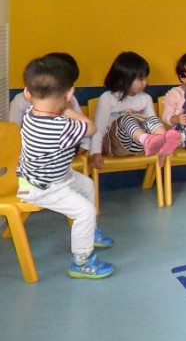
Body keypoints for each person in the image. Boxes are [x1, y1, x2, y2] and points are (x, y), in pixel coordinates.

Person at [15, 56, 115, 279]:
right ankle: (82, 261)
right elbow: (91, 127)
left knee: (86, 185)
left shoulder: (30, 115)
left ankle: (89, 232)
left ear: (28, 93)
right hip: (43, 187)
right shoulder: (61, 126)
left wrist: (60, 108)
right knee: (85, 211)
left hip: (48, 177)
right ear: (69, 94)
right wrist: (67, 109)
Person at [90, 51, 180, 168]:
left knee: (151, 119)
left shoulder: (146, 98)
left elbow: (152, 122)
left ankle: (163, 142)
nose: (145, 82)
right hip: (115, 146)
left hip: (140, 145)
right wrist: (95, 152)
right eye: (140, 79)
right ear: (124, 79)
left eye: (145, 78)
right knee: (126, 118)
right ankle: (147, 139)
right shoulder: (107, 98)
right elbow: (99, 127)